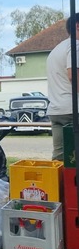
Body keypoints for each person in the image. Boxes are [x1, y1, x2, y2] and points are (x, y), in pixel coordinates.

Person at [46, 13, 79, 161]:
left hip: (56, 110)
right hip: (73, 110)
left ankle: (57, 184)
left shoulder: (56, 49)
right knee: (74, 158)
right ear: (77, 26)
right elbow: (74, 76)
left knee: (60, 157)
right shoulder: (76, 45)